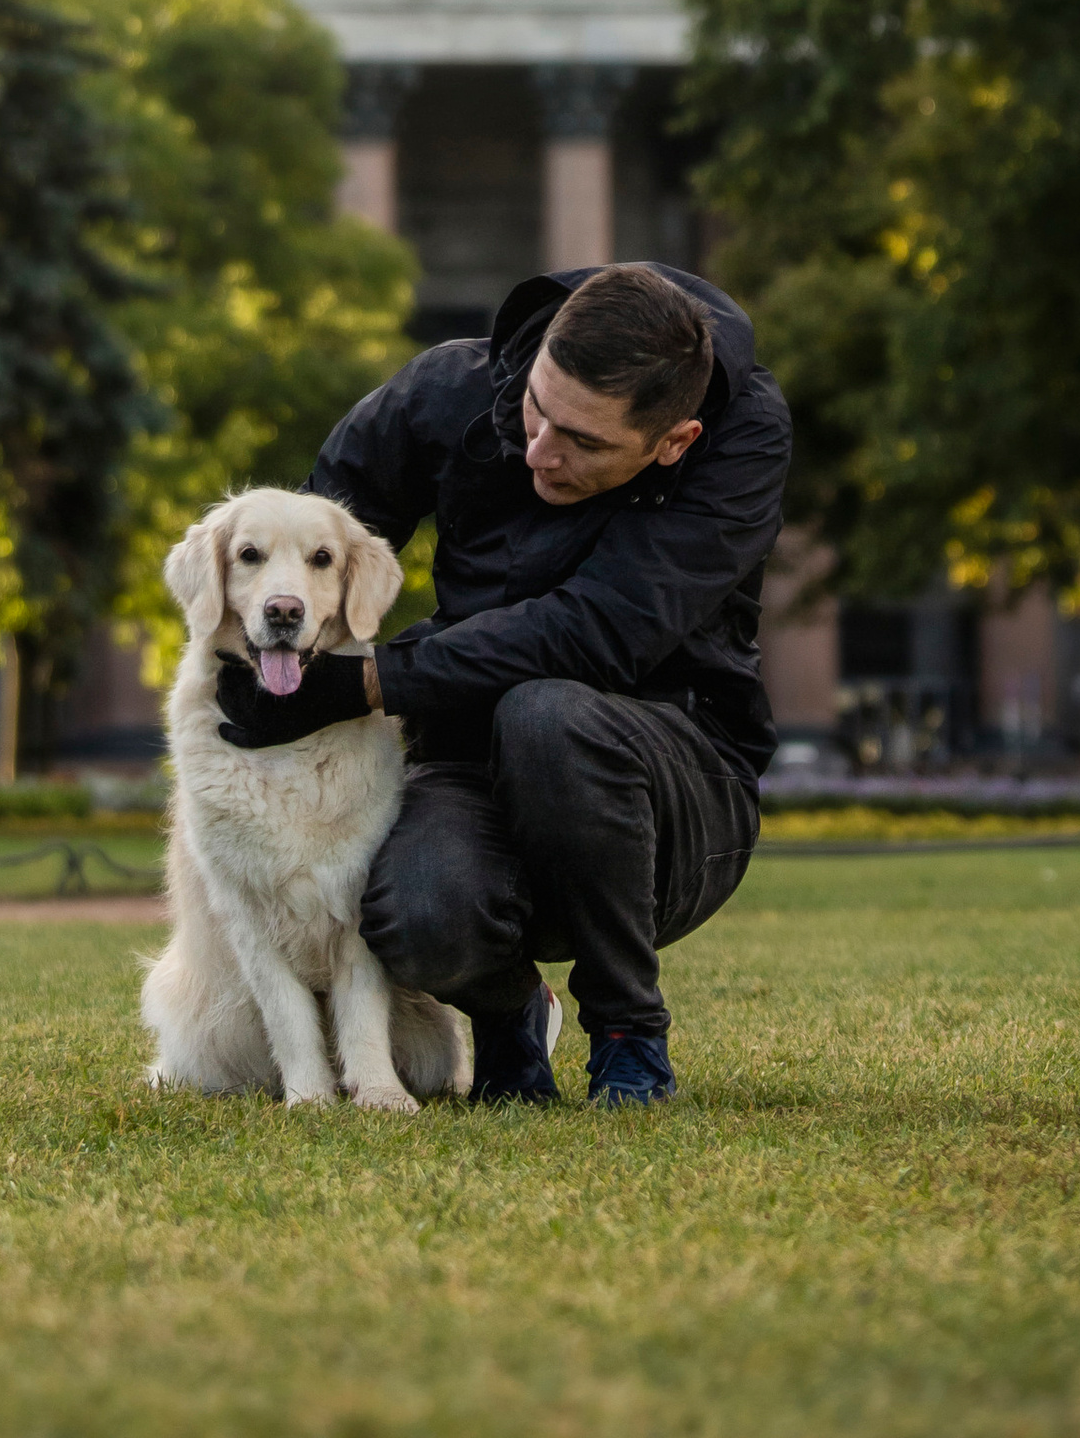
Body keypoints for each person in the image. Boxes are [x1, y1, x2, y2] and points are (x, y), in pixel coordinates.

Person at [211, 259, 788, 1107]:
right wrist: (269, 662)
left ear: (675, 442)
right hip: (474, 758)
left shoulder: (744, 437)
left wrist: (367, 683)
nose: (539, 451)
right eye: (538, 411)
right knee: (413, 911)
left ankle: (629, 1037)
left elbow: (597, 632)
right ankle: (512, 1015)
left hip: (677, 786)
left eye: (584, 442)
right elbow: (306, 542)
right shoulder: (452, 388)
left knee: (547, 713)